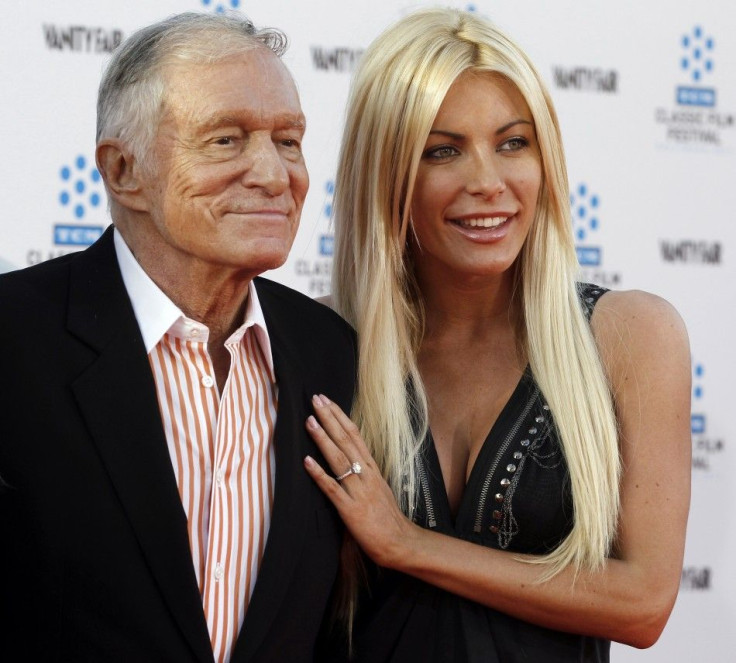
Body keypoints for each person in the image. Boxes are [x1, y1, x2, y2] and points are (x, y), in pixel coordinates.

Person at [303, 7, 691, 662]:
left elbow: (644, 601)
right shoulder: (321, 340)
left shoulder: (630, 336)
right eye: (442, 150)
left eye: (513, 143)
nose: (487, 182)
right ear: (387, 173)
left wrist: (408, 544)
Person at [0, 12, 356, 663]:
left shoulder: (333, 353)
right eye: (226, 140)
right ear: (123, 170)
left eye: (289, 141)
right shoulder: (13, 339)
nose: (275, 175)